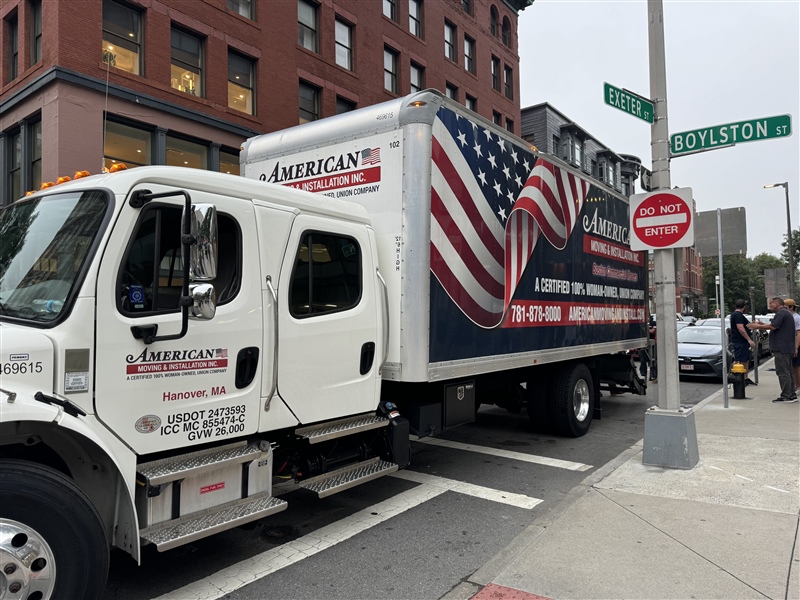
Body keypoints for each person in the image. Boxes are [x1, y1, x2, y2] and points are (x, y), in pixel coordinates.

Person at [748, 297, 797, 403]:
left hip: (781, 348)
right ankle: (791, 394)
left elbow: (773, 327)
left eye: (771, 303)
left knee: (782, 372)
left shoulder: (781, 313)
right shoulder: (785, 313)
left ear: (777, 304)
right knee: (788, 371)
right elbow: (775, 326)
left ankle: (786, 395)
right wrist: (761, 325)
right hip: (786, 347)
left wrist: (757, 326)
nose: (769, 305)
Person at [729, 299, 756, 385]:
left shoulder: (737, 315)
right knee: (739, 360)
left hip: (742, 342)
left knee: (745, 360)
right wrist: (749, 340)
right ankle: (738, 378)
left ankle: (745, 378)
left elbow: (745, 326)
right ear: (744, 307)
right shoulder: (738, 315)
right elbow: (740, 328)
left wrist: (754, 325)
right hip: (740, 341)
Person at [784, 298, 800, 392]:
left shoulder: (796, 318)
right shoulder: (788, 317)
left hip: (795, 344)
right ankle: (794, 385)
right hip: (789, 344)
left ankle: (798, 386)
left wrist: (796, 347)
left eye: (785, 308)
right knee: (790, 367)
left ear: (791, 307)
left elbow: (799, 334)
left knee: (796, 366)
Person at [639, 316, 657, 382]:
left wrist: (645, 330)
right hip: (643, 344)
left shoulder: (653, 323)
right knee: (642, 360)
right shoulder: (642, 323)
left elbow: (653, 331)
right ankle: (643, 373)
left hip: (652, 345)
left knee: (653, 361)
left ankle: (653, 375)